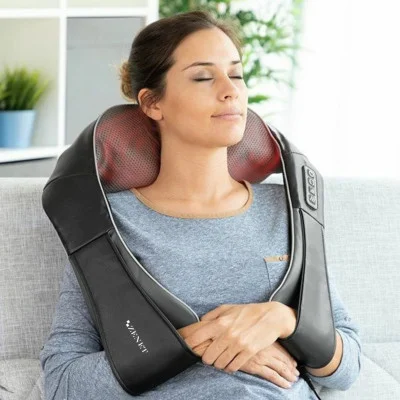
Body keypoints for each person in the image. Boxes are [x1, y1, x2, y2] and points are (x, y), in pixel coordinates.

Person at [40, 10, 362, 399]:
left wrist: (282, 320)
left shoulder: (288, 210)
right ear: (152, 103)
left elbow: (346, 367)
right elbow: (62, 381)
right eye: (203, 77)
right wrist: (202, 343)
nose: (230, 91)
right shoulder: (107, 225)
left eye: (237, 75)